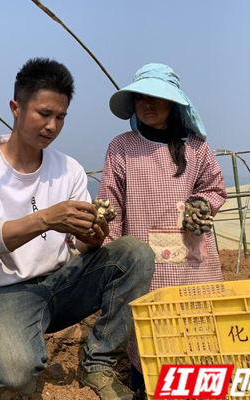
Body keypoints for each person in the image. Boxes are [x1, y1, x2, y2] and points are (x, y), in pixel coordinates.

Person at [0, 57, 155, 400]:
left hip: (64, 283)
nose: (52, 126)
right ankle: (16, 342)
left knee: (135, 253)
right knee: (15, 374)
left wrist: (92, 236)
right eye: (43, 114)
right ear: (16, 108)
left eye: (60, 117)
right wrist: (45, 219)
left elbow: (81, 246)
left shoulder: (69, 169)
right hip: (10, 292)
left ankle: (98, 362)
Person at [98, 63, 227, 394]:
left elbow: (214, 188)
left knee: (199, 329)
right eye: (140, 98)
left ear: (174, 104)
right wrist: (108, 263)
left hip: (192, 259)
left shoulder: (196, 147)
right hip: (144, 262)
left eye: (156, 97)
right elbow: (110, 207)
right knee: (150, 334)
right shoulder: (122, 147)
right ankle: (148, 387)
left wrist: (201, 203)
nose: (147, 104)